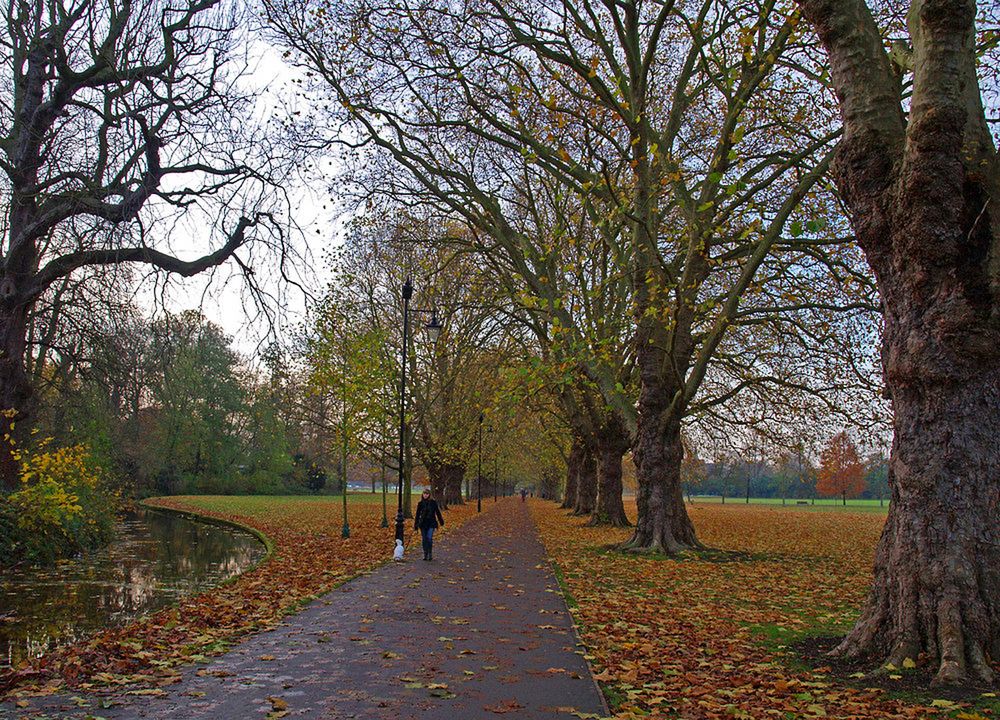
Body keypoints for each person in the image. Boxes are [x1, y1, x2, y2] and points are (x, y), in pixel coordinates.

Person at [414, 489, 444, 561]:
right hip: (423, 524)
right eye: (424, 494)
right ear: (422, 494)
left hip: (431, 523)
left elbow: (437, 512)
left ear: (429, 495)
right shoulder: (420, 503)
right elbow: (417, 515)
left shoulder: (433, 503)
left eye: (427, 494)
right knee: (424, 539)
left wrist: (441, 521)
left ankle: (430, 553)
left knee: (429, 538)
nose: (425, 495)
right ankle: (425, 553)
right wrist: (416, 524)